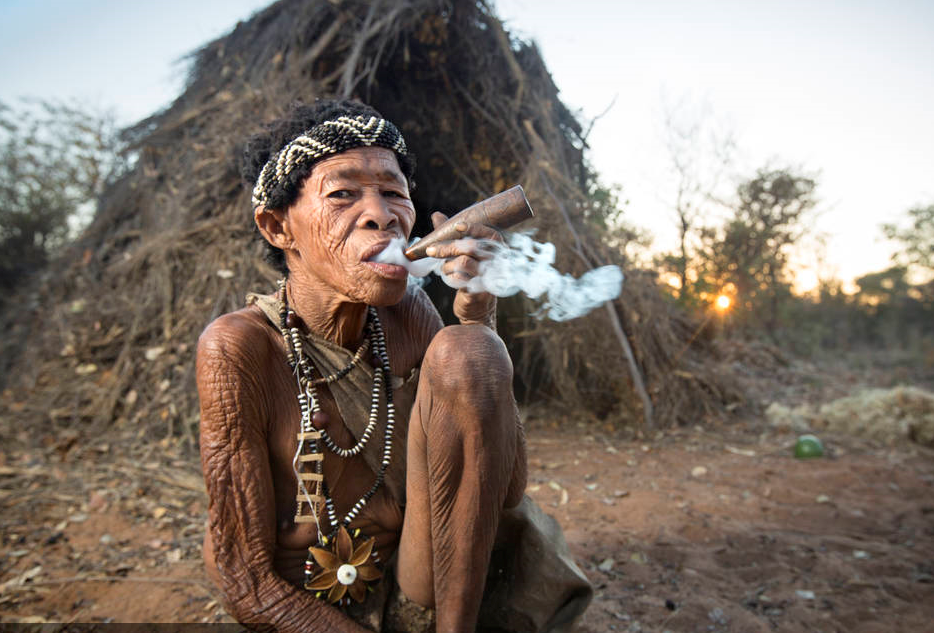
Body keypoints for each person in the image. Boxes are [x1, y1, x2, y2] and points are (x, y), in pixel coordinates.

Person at [196, 99, 590, 632]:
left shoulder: (405, 316)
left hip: (418, 589)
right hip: (306, 609)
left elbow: (509, 489)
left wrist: (478, 316)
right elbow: (245, 580)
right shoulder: (238, 349)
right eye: (342, 194)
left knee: (469, 350)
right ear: (277, 228)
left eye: (393, 193)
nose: (381, 214)